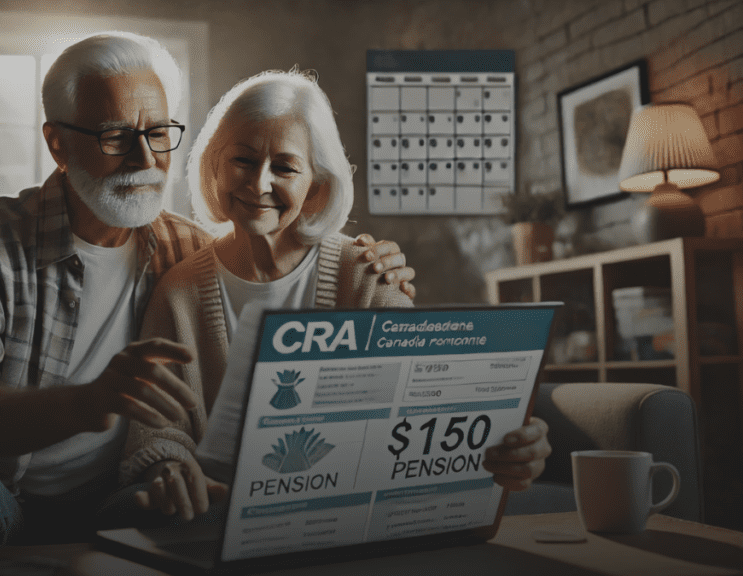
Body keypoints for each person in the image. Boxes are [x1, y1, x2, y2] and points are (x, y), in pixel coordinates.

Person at [0, 33, 416, 549]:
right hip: (1, 491)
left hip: (118, 496)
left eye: (158, 132)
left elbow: (266, 246)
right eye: (115, 136)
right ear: (58, 143)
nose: (144, 159)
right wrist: (86, 404)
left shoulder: (183, 249)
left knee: (203, 508)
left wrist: (374, 263)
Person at [120, 70, 552, 522]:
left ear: (317, 186)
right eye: (243, 161)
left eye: (285, 167)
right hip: (219, 513)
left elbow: (424, 404)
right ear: (214, 164)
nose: (259, 183)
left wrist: (507, 434)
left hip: (345, 511)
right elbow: (156, 432)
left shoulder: (367, 273)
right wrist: (169, 468)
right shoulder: (180, 291)